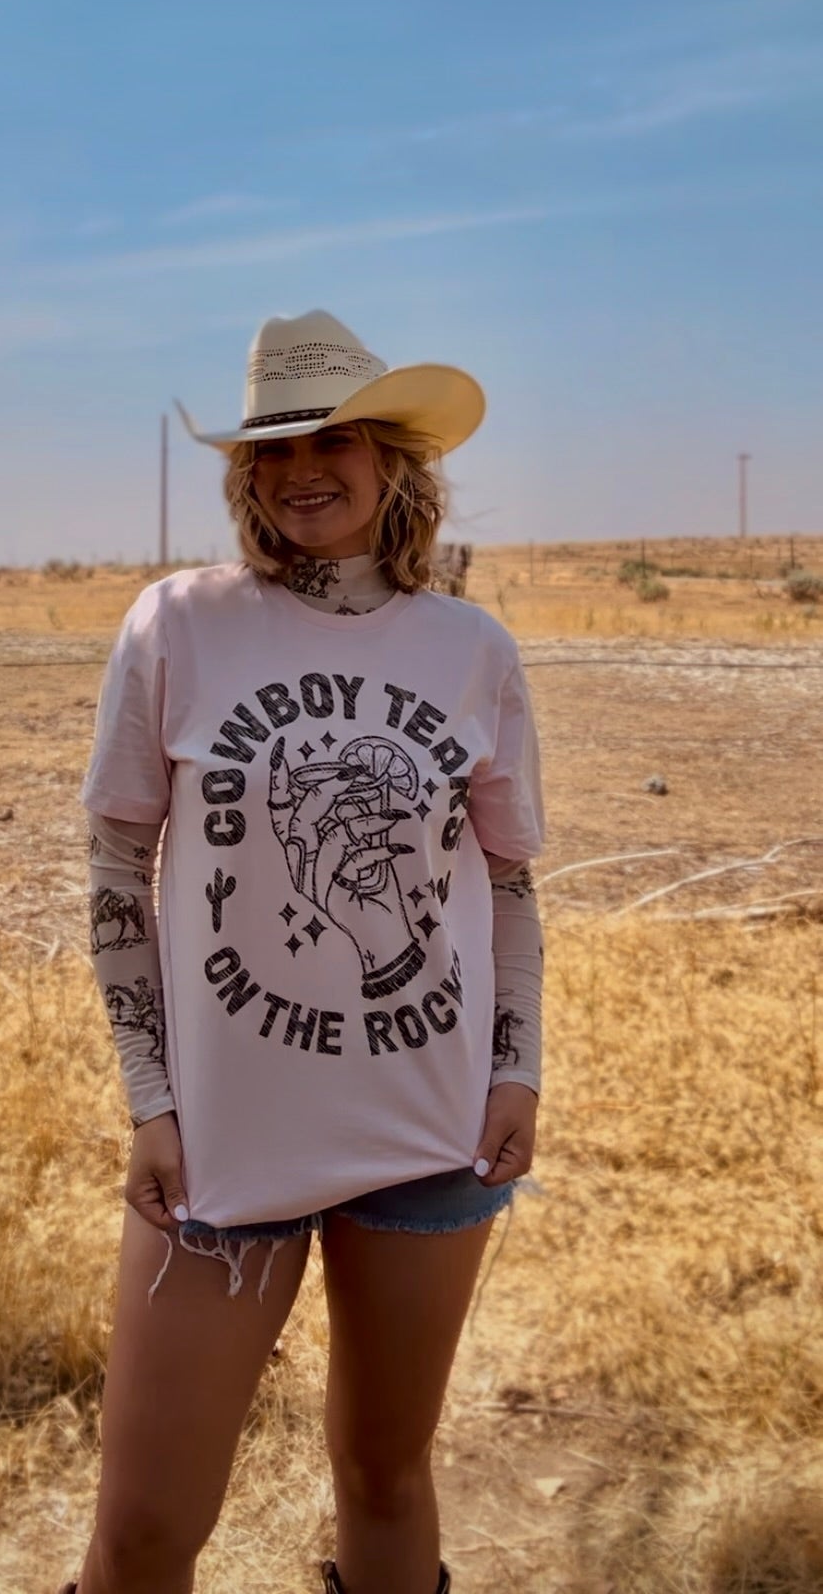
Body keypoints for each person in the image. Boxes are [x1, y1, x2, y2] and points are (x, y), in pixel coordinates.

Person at [64, 310, 545, 1594]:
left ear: (395, 461)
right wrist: (152, 1097)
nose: (299, 469)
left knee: (387, 1478)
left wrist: (517, 1068)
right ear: (245, 474)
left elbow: (506, 883)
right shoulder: (179, 624)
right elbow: (117, 865)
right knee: (146, 1529)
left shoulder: (473, 650)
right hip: (225, 1144)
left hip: (429, 1130)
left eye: (333, 437)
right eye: (272, 446)